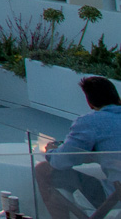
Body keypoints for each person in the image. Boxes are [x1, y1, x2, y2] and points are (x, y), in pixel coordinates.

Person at [37, 76, 121, 219]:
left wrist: (51, 151)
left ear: (89, 103)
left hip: (116, 195)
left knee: (43, 169)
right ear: (117, 98)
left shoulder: (91, 122)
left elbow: (62, 161)